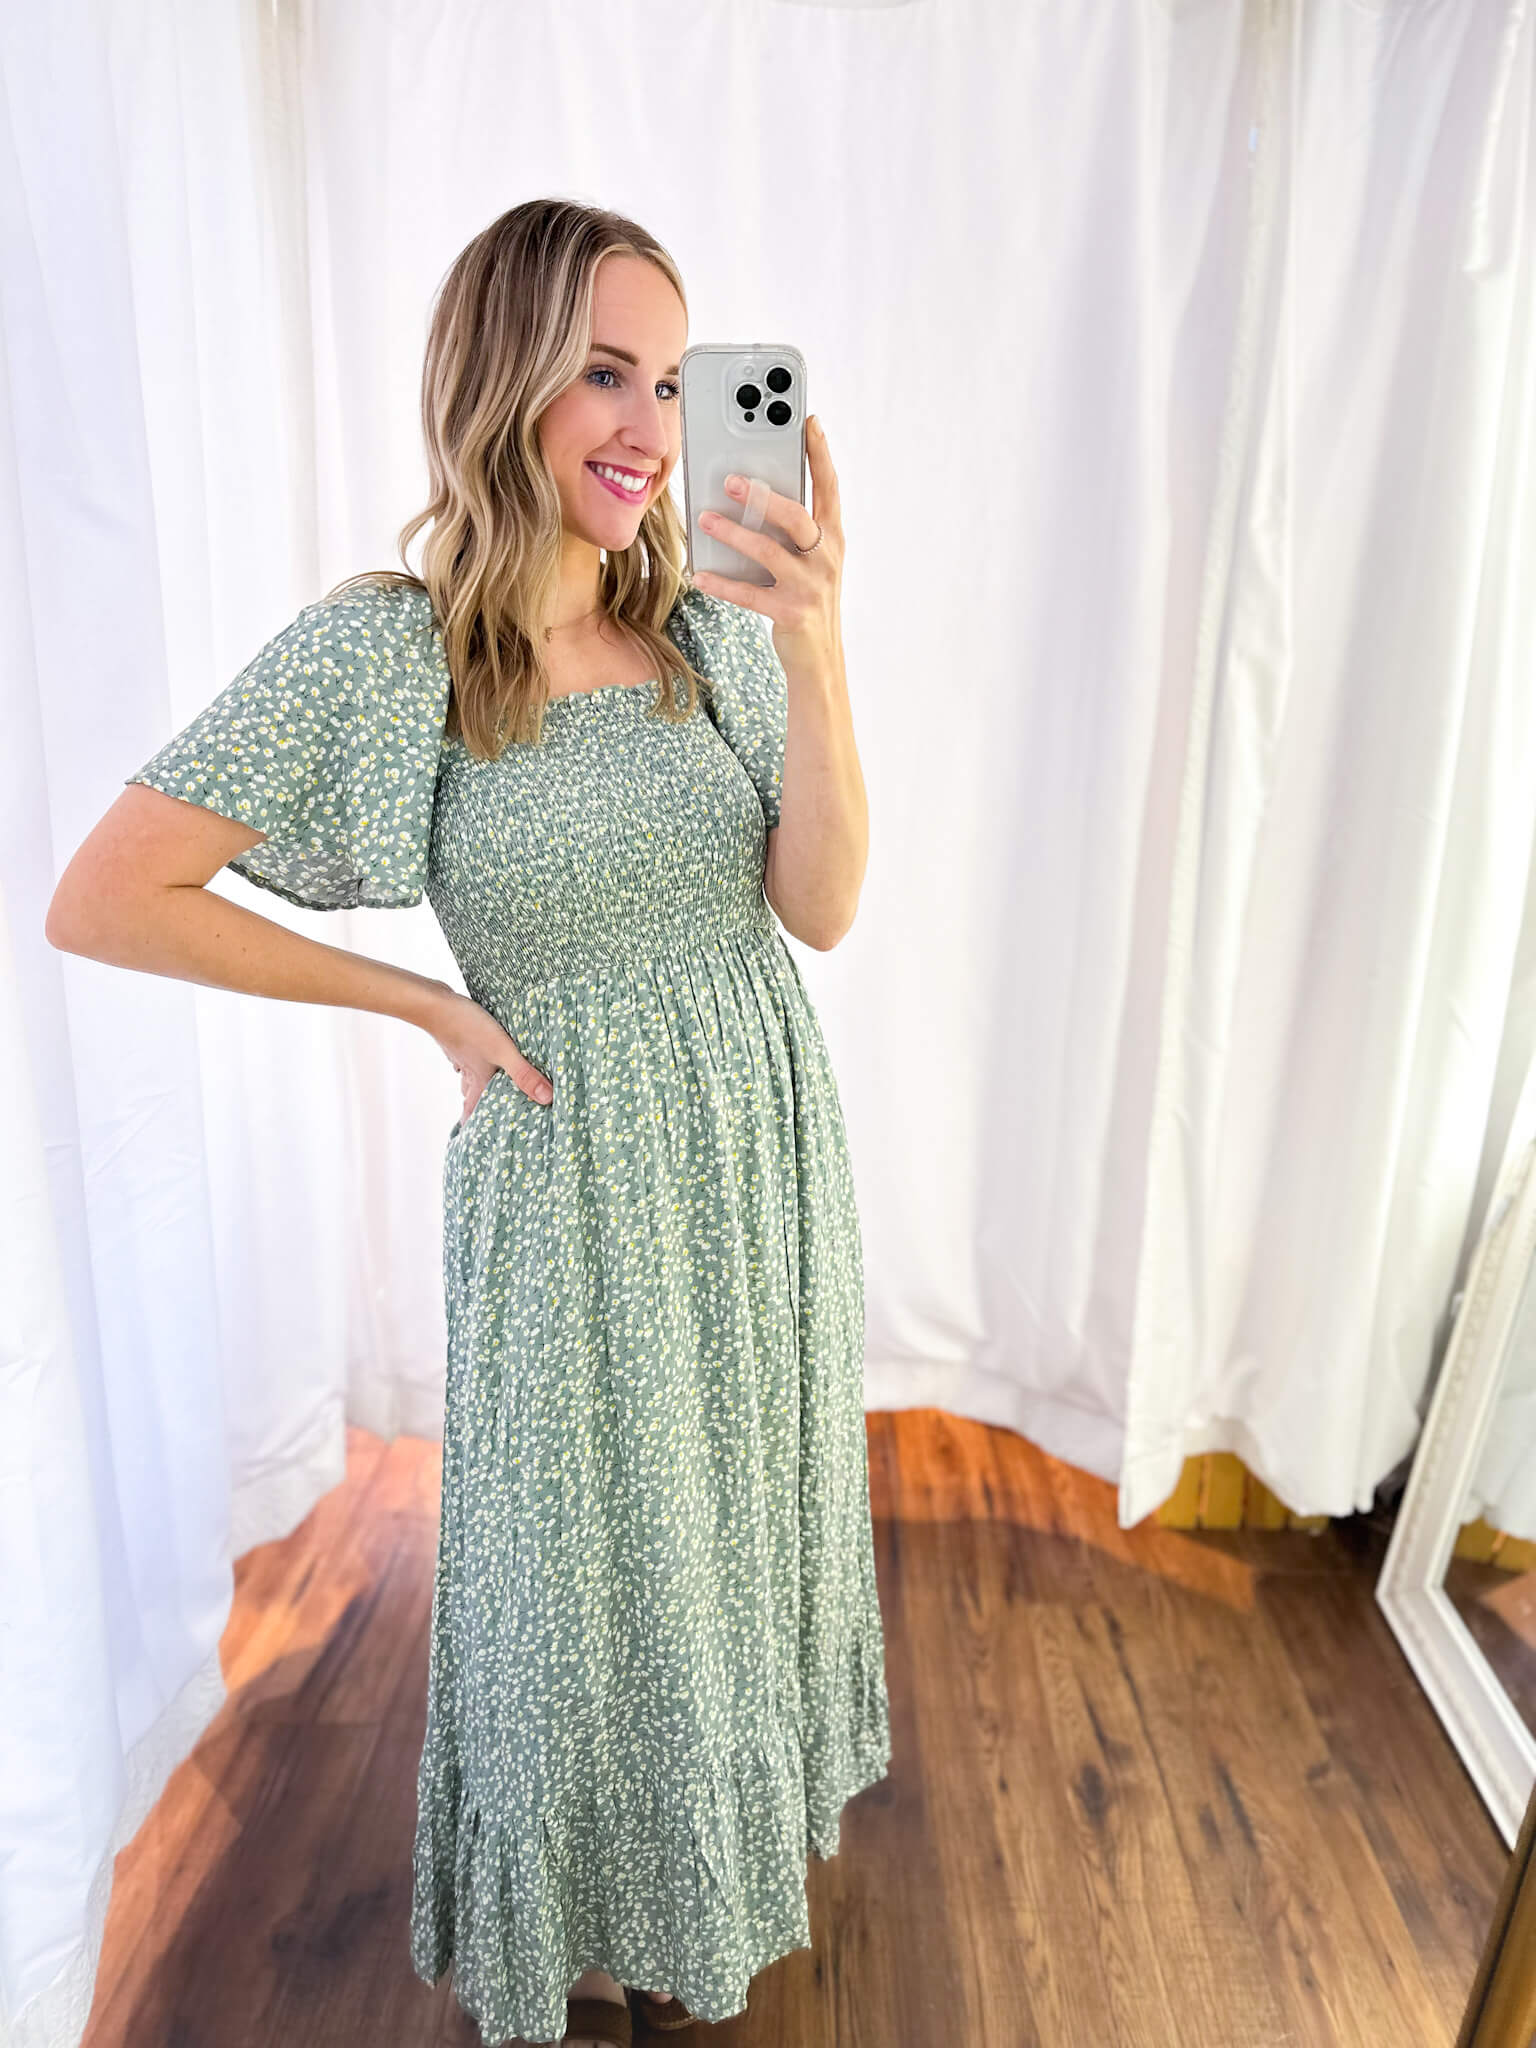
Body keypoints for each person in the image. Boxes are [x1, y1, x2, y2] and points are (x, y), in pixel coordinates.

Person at [46, 198, 890, 2048]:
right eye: (606, 374)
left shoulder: (712, 621)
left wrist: (818, 644)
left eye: (673, 381)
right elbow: (105, 897)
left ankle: (700, 1875)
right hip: (569, 1173)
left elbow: (820, 910)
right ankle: (583, 1908)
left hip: (756, 1149)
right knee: (583, 1580)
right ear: (504, 381)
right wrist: (423, 1000)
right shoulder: (394, 652)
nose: (652, 428)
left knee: (730, 1534)